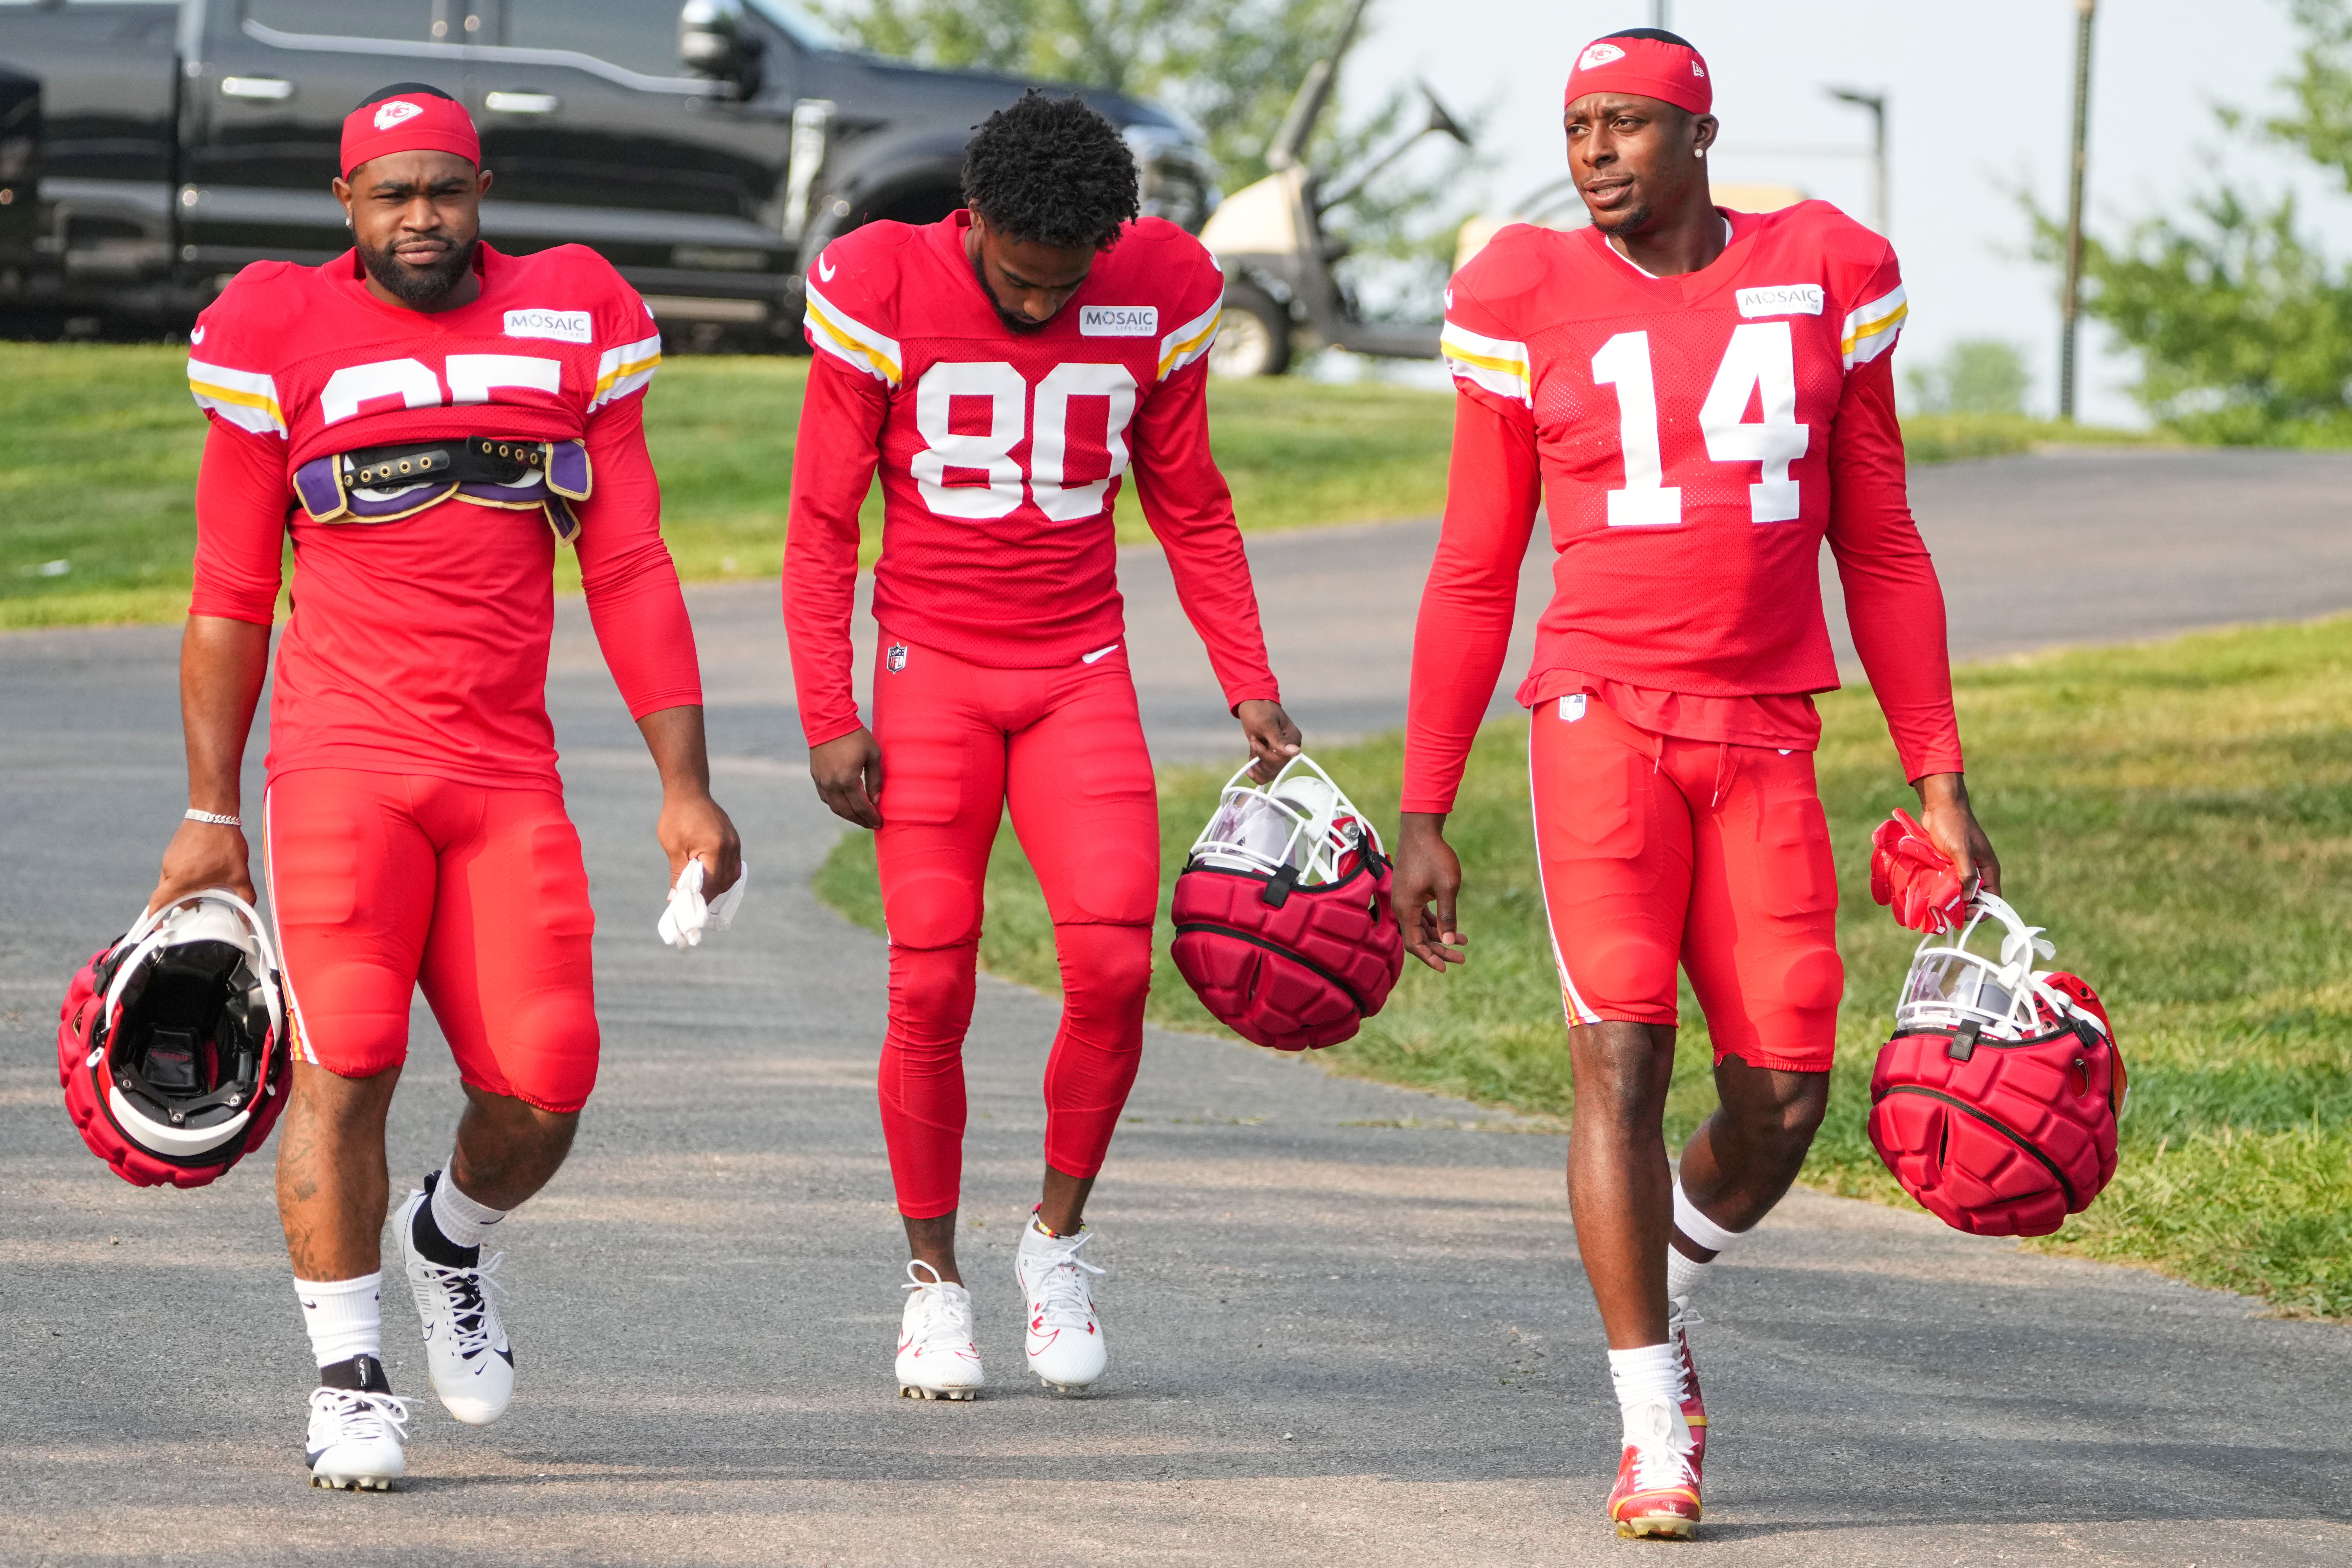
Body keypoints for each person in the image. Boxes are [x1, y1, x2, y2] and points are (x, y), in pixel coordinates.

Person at [1394, 29, 1998, 1541]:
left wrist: (1939, 772)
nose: (1595, 152)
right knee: (1621, 1061)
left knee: (1787, 1095)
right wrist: (1423, 804)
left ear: (1701, 134)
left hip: (1766, 729)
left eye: (1627, 125)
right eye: (1578, 126)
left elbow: (1883, 542)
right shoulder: (1519, 288)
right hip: (1597, 717)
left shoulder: (1825, 268)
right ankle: (1650, 1420)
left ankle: (1663, 1269)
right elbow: (1474, 571)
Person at [153, 83, 739, 1490]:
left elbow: (630, 562)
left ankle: (445, 1241)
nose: (426, 219)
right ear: (345, 206)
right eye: (395, 195)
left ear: (486, 191)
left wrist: (685, 784)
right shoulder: (274, 328)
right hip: (344, 760)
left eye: (449, 191)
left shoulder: (574, 309)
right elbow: (232, 594)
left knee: (546, 1088)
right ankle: (350, 1375)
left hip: (502, 767)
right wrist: (211, 811)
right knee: (345, 1062)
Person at [783, 90, 1298, 1399]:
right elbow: (820, 525)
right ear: (975, 225)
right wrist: (830, 715)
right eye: (1016, 280)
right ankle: (931, 1283)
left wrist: (1250, 683)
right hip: (930, 671)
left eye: (1063, 285)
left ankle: (1054, 1244)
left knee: (1116, 963)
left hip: (1079, 669)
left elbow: (1191, 502)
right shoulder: (880, 279)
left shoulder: (1162, 284)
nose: (1036, 308)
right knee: (929, 986)